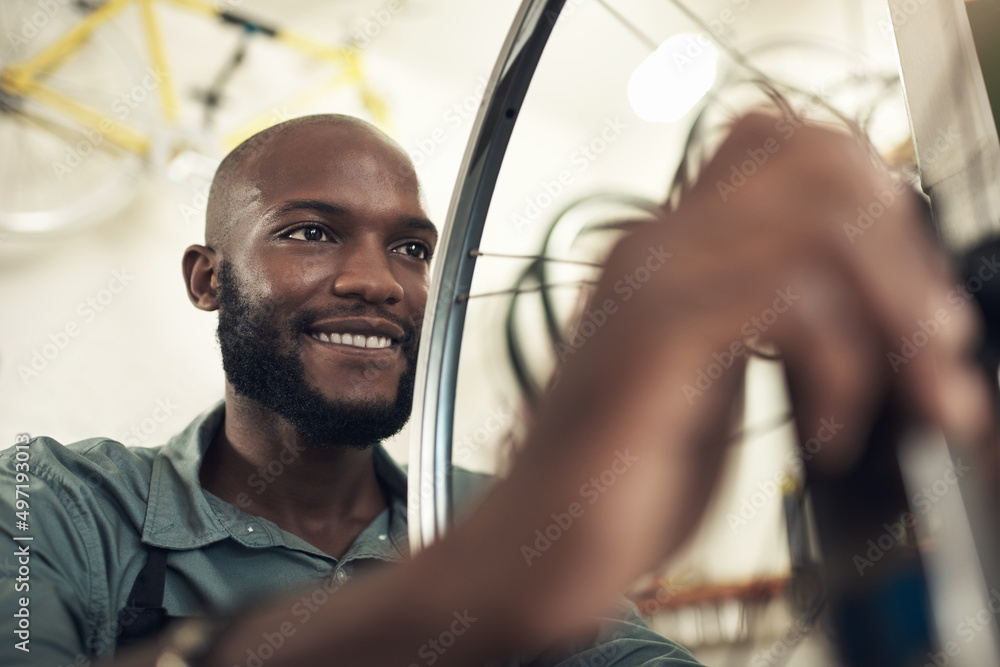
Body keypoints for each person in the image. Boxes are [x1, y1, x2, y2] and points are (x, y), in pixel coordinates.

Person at [1, 110, 991, 667]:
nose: (377, 280)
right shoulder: (50, 504)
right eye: (310, 231)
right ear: (207, 276)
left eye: (412, 247)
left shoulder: (487, 512)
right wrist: (474, 589)